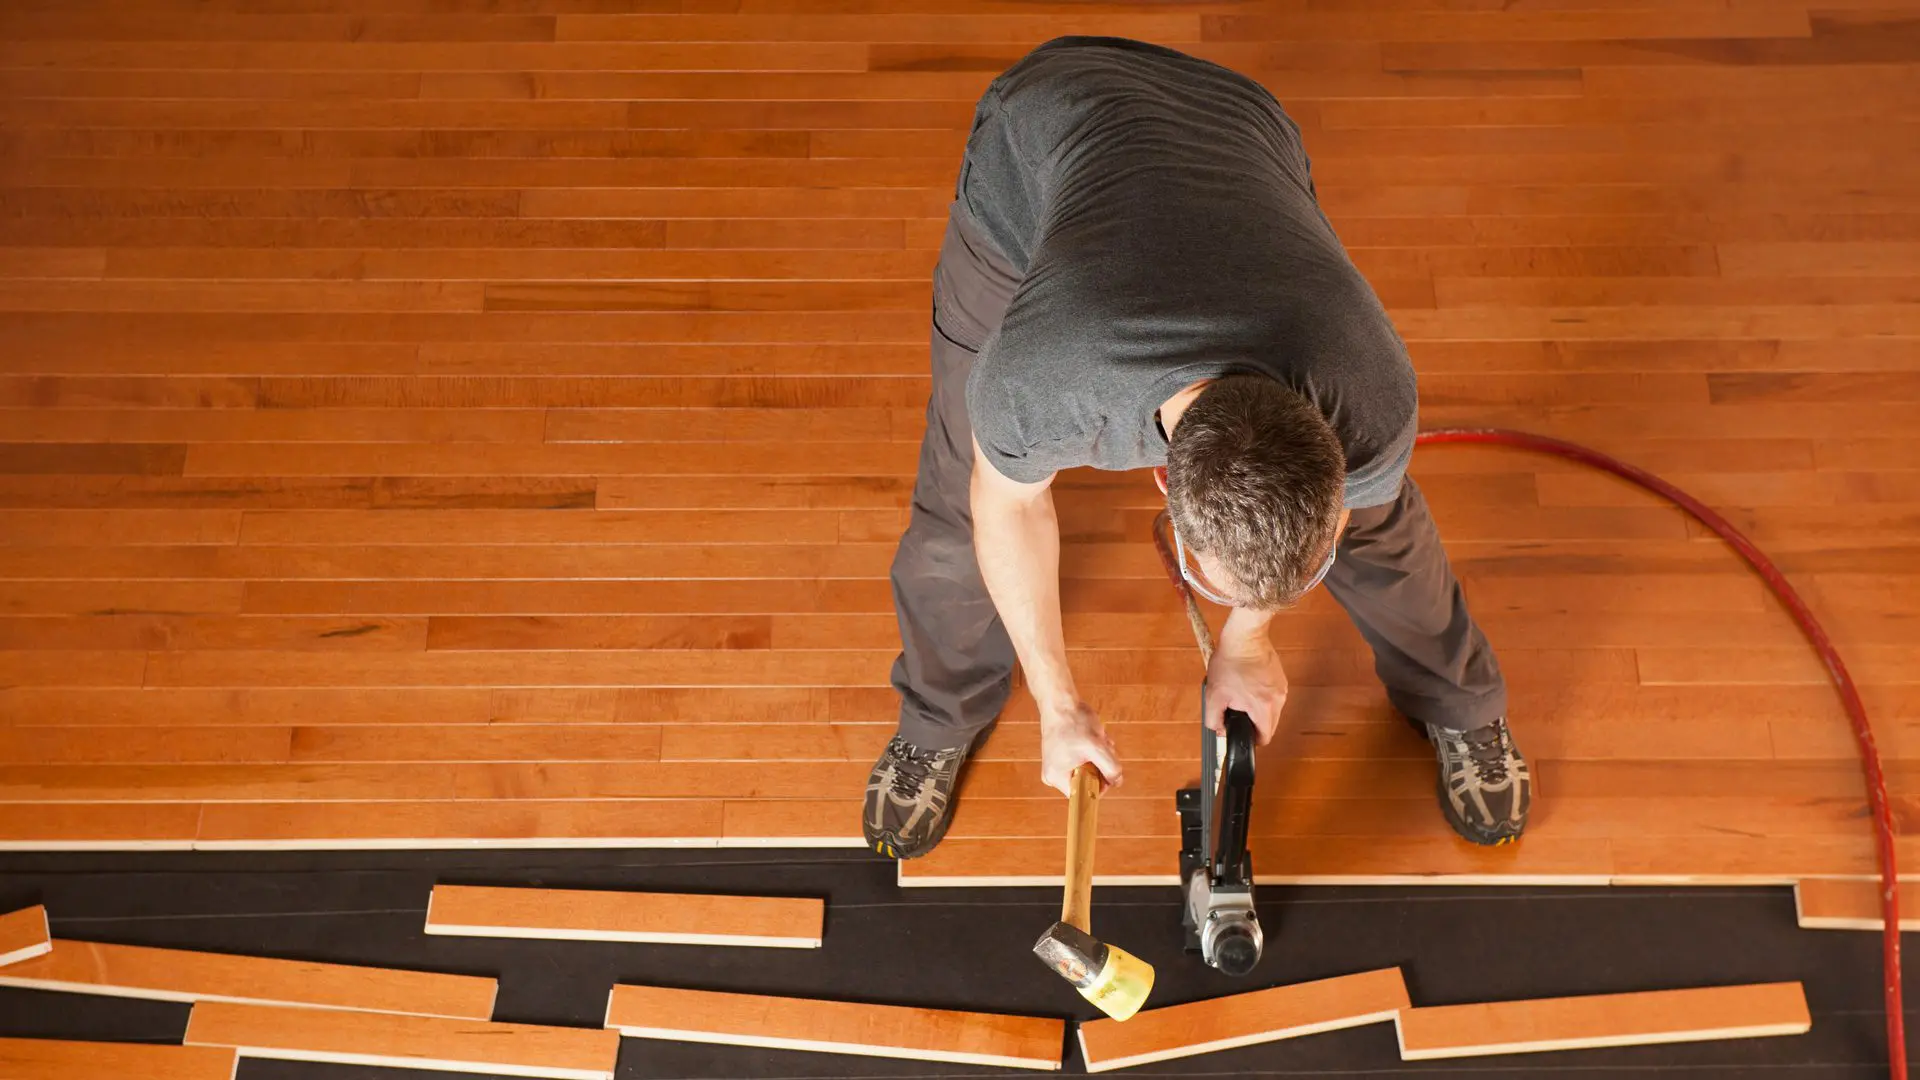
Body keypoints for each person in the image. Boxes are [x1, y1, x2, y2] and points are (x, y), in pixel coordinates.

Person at [862, 37, 1529, 860]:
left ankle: (1462, 703)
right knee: (958, 499)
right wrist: (1058, 706)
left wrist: (1248, 643)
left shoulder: (1366, 385)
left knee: (1387, 520)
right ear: (1159, 483)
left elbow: (1339, 519)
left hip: (1235, 120)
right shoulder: (1044, 379)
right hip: (1044, 127)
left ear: (1328, 450)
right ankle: (938, 713)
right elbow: (1005, 507)